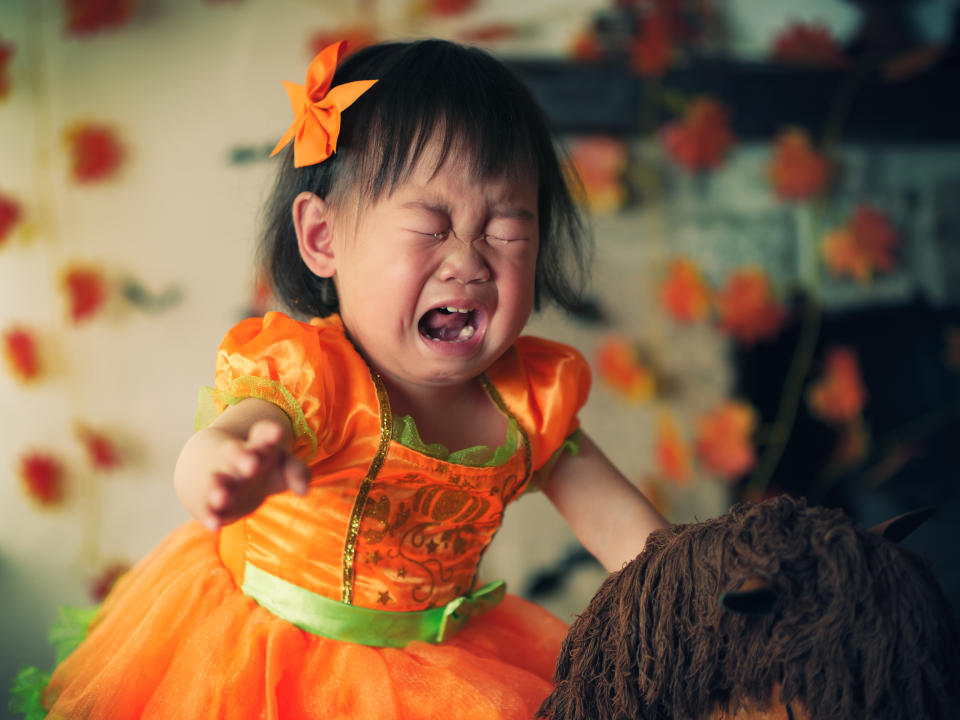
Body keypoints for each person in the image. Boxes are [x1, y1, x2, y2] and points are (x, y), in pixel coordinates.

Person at [14, 39, 667, 719]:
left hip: (443, 679)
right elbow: (227, 438)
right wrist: (225, 469)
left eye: (506, 231)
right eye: (431, 226)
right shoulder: (313, 376)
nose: (469, 262)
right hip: (257, 665)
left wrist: (713, 588)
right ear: (323, 239)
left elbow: (637, 543)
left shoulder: (532, 401)